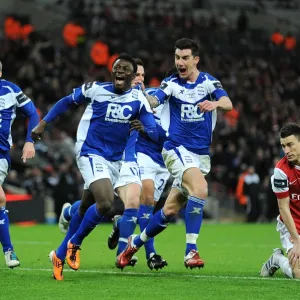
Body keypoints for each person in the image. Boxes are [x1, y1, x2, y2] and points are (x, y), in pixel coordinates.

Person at [31, 54, 158, 280]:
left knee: (86, 207)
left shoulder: (139, 100)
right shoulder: (95, 89)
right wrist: (43, 123)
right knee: (106, 201)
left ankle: (59, 255)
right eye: (116, 67)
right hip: (90, 151)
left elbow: (155, 131)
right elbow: (66, 102)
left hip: (115, 160)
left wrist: (146, 129)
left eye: (125, 69)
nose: (119, 71)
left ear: (133, 75)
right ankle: (75, 244)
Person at [117, 38, 233, 269]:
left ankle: (132, 247)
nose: (180, 62)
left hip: (200, 155)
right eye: (177, 57)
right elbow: (154, 99)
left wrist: (215, 105)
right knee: (200, 189)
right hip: (176, 149)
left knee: (169, 210)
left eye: (185, 58)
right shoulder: (170, 84)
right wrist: (143, 97)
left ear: (195, 60)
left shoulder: (208, 82)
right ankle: (191, 251)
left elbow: (227, 102)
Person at [108, 61, 168, 270]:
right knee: (143, 199)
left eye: (143, 75)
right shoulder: (123, 100)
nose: (140, 79)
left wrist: (148, 129)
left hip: (162, 162)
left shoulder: (156, 98)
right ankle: (150, 254)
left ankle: (120, 227)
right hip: (134, 156)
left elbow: (163, 135)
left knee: (144, 210)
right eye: (136, 75)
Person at [0, 61, 39, 268]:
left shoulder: (11, 90)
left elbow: (33, 113)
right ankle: (8, 250)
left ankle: (8, 250)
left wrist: (30, 140)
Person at [260, 123, 300, 279]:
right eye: (283, 146)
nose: (286, 151)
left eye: (290, 145)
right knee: (298, 273)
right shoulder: (281, 171)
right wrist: (297, 241)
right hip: (292, 225)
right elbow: (284, 208)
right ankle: (277, 259)